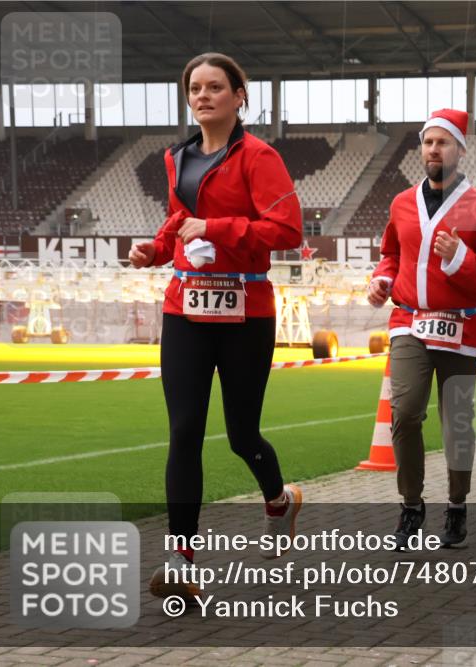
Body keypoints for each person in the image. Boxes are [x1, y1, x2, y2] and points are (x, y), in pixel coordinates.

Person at [130, 53, 304, 599]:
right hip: (185, 308)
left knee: (240, 435)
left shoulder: (260, 156)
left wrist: (219, 227)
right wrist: (154, 250)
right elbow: (178, 224)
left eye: (214, 87)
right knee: (183, 432)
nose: (202, 96)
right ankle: (182, 560)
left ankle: (280, 501)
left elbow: (288, 229)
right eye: (194, 89)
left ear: (238, 96)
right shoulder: (175, 157)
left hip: (245, 312)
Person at [367, 109, 476, 548]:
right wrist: (382, 279)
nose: (435, 149)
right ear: (421, 149)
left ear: (460, 150)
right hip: (410, 322)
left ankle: (457, 505)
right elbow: (391, 255)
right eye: (429, 142)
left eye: (443, 142)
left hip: (461, 328)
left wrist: (461, 259)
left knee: (457, 425)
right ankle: (411, 506)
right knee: (406, 411)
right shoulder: (400, 204)